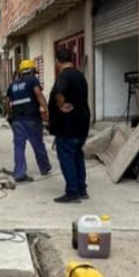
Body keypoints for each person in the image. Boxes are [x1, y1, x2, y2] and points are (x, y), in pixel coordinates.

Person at [48, 47, 91, 203]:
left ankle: (72, 191)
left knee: (67, 157)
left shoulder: (64, 76)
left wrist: (60, 106)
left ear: (57, 62)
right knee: (77, 156)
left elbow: (59, 91)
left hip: (68, 126)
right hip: (82, 123)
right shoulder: (80, 75)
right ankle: (81, 189)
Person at [6, 59, 52, 183]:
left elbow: (8, 102)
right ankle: (44, 167)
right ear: (32, 71)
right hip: (31, 119)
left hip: (17, 120)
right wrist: (47, 109)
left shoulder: (13, 85)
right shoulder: (32, 81)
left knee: (19, 147)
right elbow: (38, 94)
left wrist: (9, 115)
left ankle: (20, 173)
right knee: (38, 144)